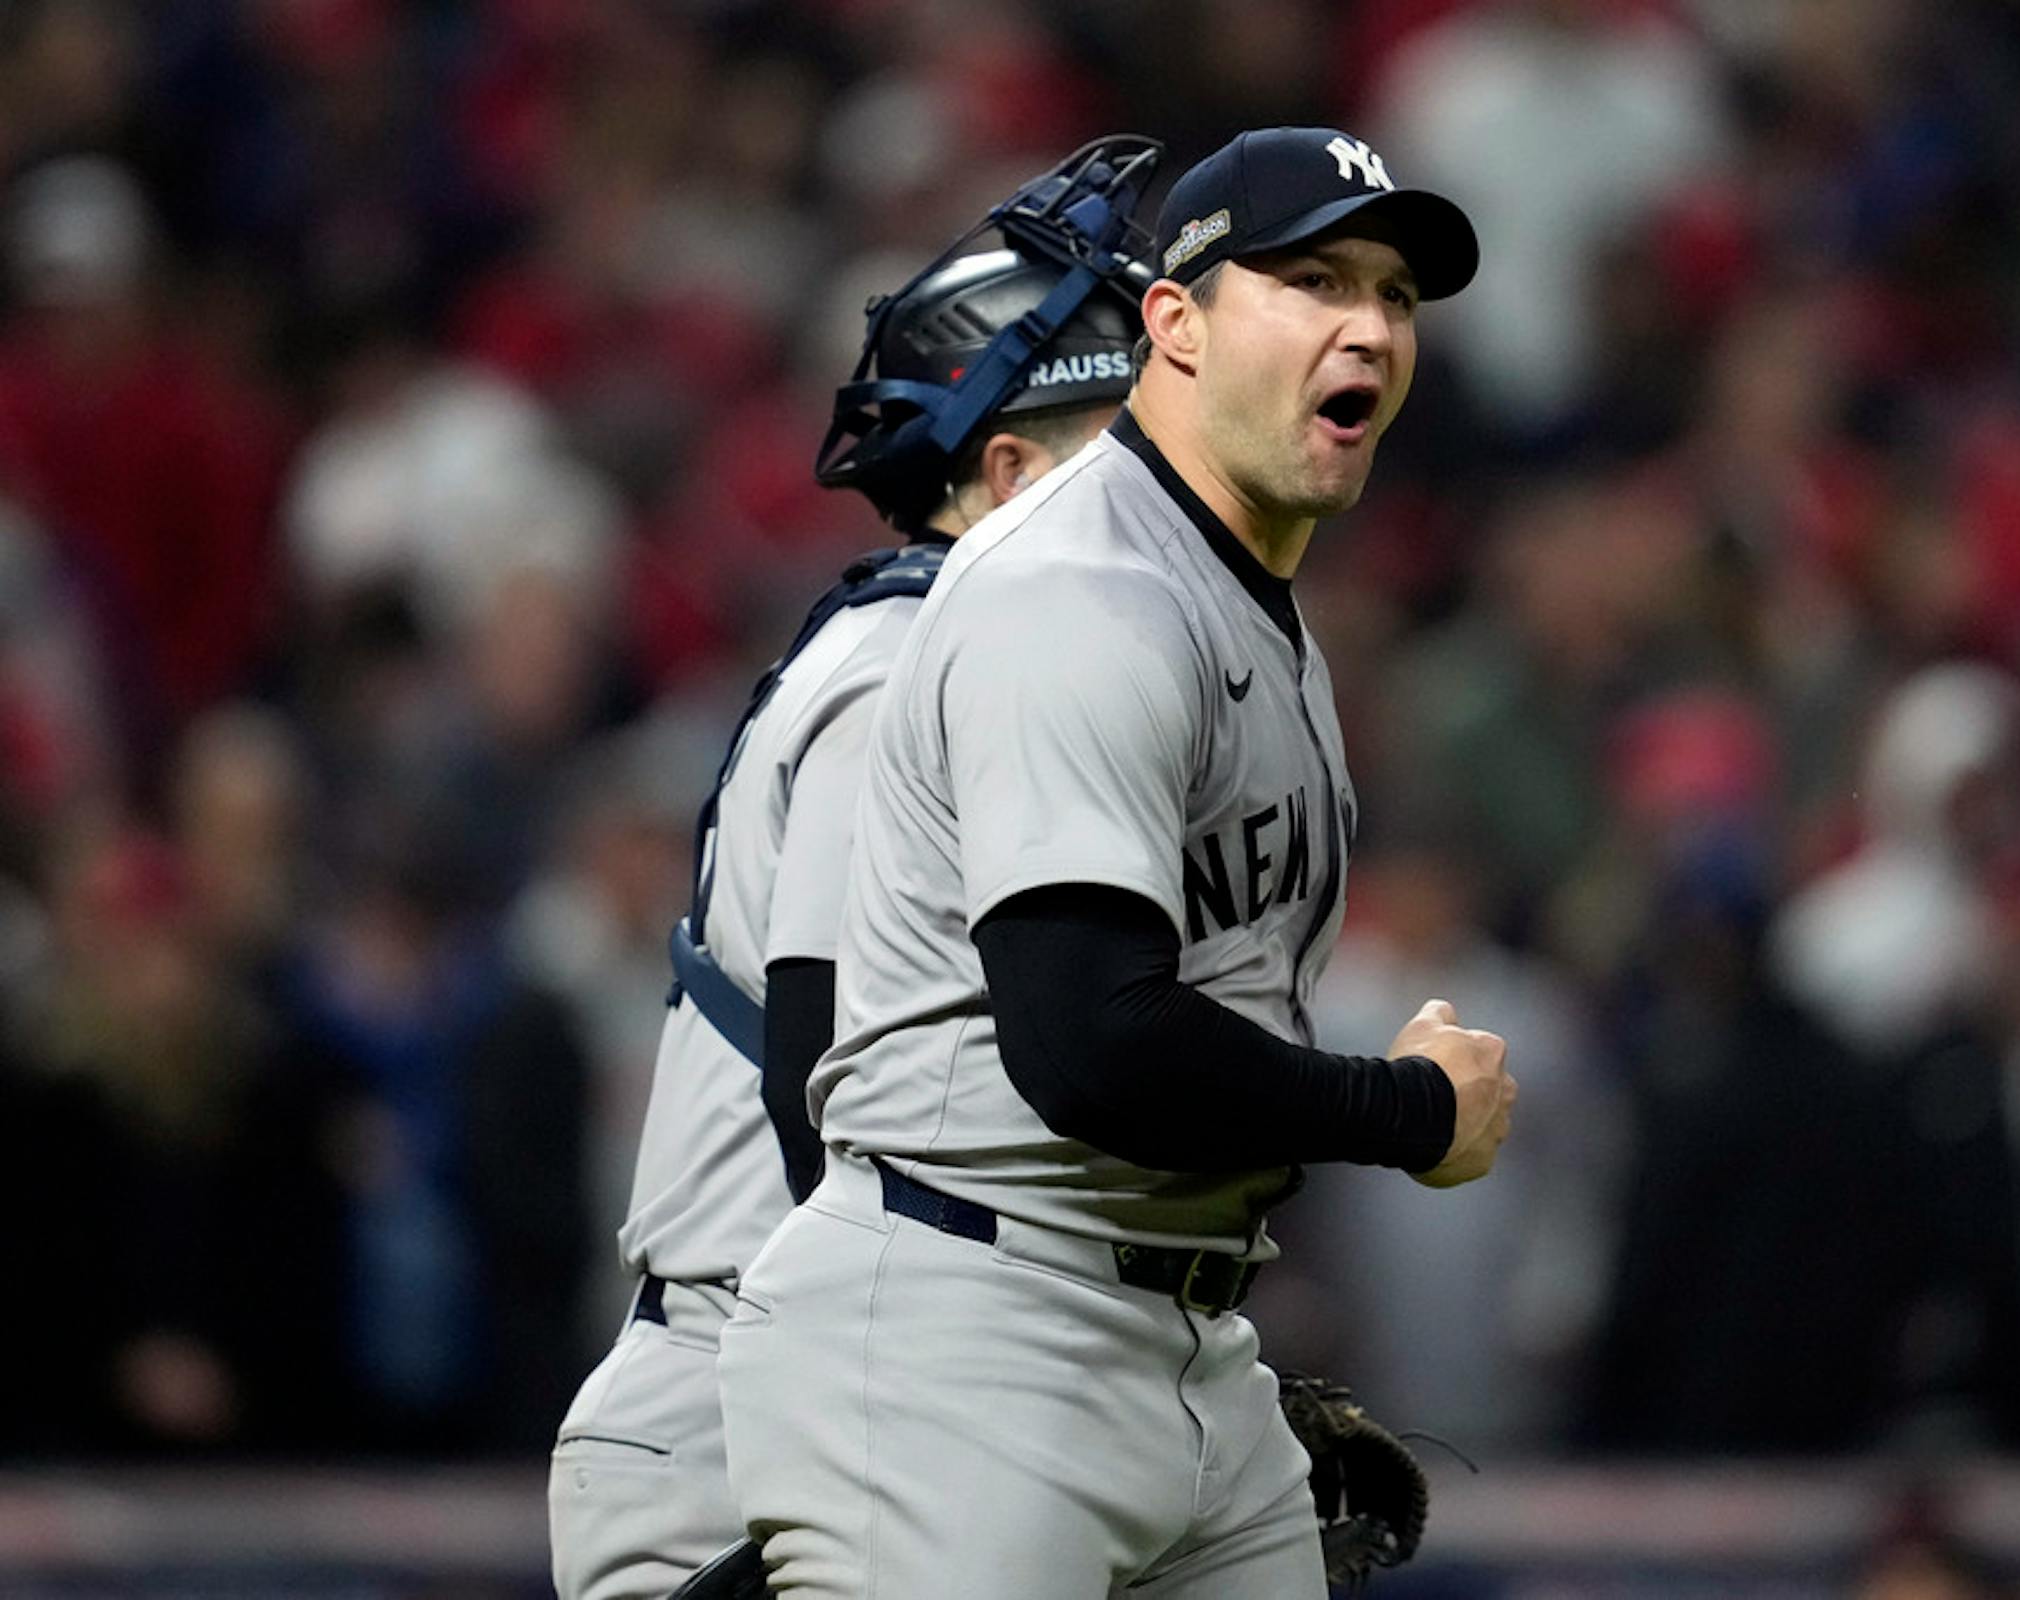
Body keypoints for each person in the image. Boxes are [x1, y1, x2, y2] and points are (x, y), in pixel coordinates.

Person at [717, 125, 1513, 1597]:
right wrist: (1406, 1112)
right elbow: (1090, 1043)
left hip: (1169, 1327)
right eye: (1315, 278)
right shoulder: (1080, 588)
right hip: (969, 1319)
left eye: (1396, 296)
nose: (1370, 326)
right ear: (1175, 322)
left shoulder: (1248, 601)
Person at [547, 138, 1162, 1600]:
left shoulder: (1050, 688)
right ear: (1005, 472)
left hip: (910, 1390)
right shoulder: (898, 672)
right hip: (753, 1419)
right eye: (1129, 441)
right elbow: (817, 1083)